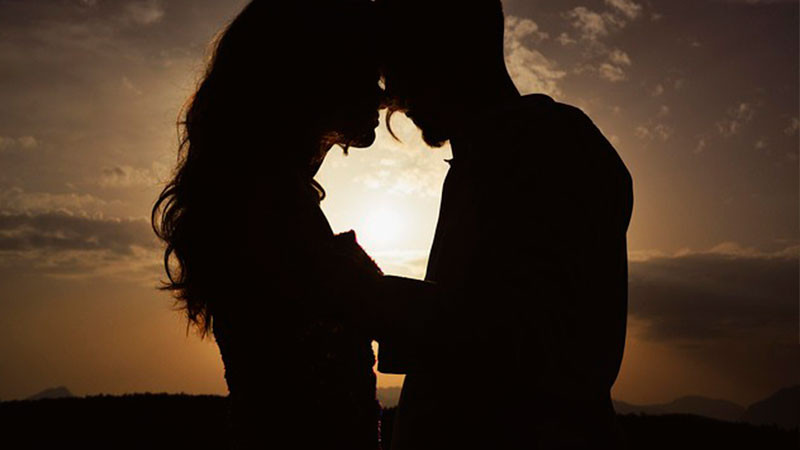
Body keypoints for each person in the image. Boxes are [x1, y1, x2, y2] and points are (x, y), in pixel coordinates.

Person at [377, 0, 634, 448]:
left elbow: (534, 345)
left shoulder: (554, 148)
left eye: (400, 65)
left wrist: (368, 298)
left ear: (452, 48)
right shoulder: (484, 159)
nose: (393, 93)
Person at [151, 1, 387, 448]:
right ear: (317, 76)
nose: (379, 94)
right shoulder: (266, 203)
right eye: (365, 74)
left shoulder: (263, 194)